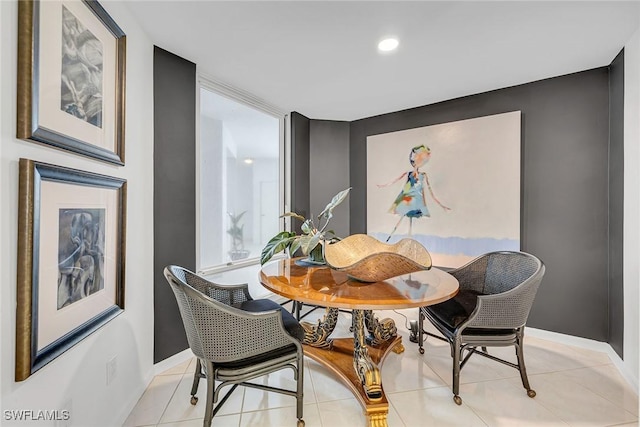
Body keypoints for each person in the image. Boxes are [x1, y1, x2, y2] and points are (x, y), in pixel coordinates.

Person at [377, 144, 451, 241]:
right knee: (402, 217)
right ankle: (390, 237)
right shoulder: (408, 174)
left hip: (417, 201)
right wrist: (384, 185)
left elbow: (429, 191)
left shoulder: (423, 175)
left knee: (410, 220)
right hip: (406, 198)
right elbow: (395, 180)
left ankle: (409, 239)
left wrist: (441, 205)